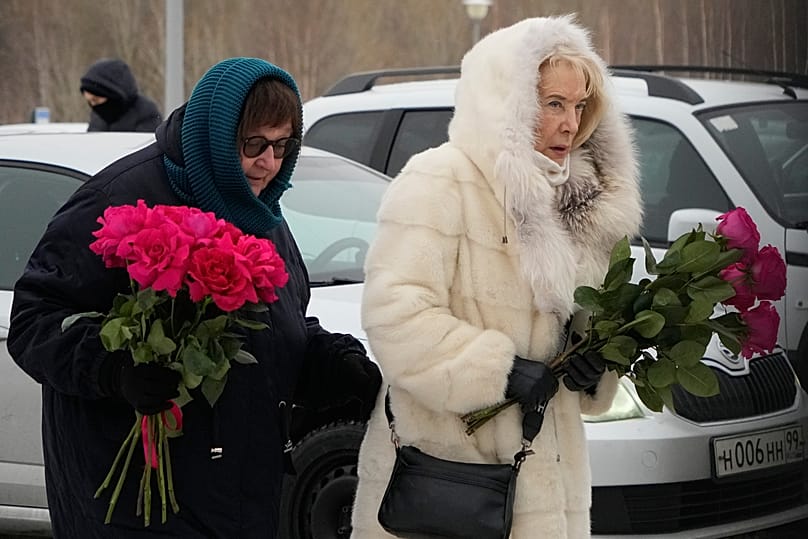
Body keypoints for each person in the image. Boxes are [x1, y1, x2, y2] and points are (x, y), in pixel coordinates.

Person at [8, 57, 382, 538]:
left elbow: (274, 324)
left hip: (241, 495)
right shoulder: (123, 198)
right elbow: (35, 320)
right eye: (253, 145)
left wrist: (329, 363)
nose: (268, 163)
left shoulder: (261, 214)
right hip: (135, 502)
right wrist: (117, 370)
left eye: (281, 146)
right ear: (219, 133)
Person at [351, 15, 642, 538]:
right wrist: (498, 371)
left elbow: (578, 326)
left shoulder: (576, 203)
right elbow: (394, 315)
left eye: (580, 106)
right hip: (448, 472)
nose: (570, 124)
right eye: (554, 103)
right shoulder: (439, 180)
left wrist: (594, 361)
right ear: (505, 102)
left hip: (546, 481)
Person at [80, 58, 162, 132]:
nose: (93, 106)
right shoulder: (98, 116)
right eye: (89, 101)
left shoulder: (146, 115)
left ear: (113, 96)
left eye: (96, 100)